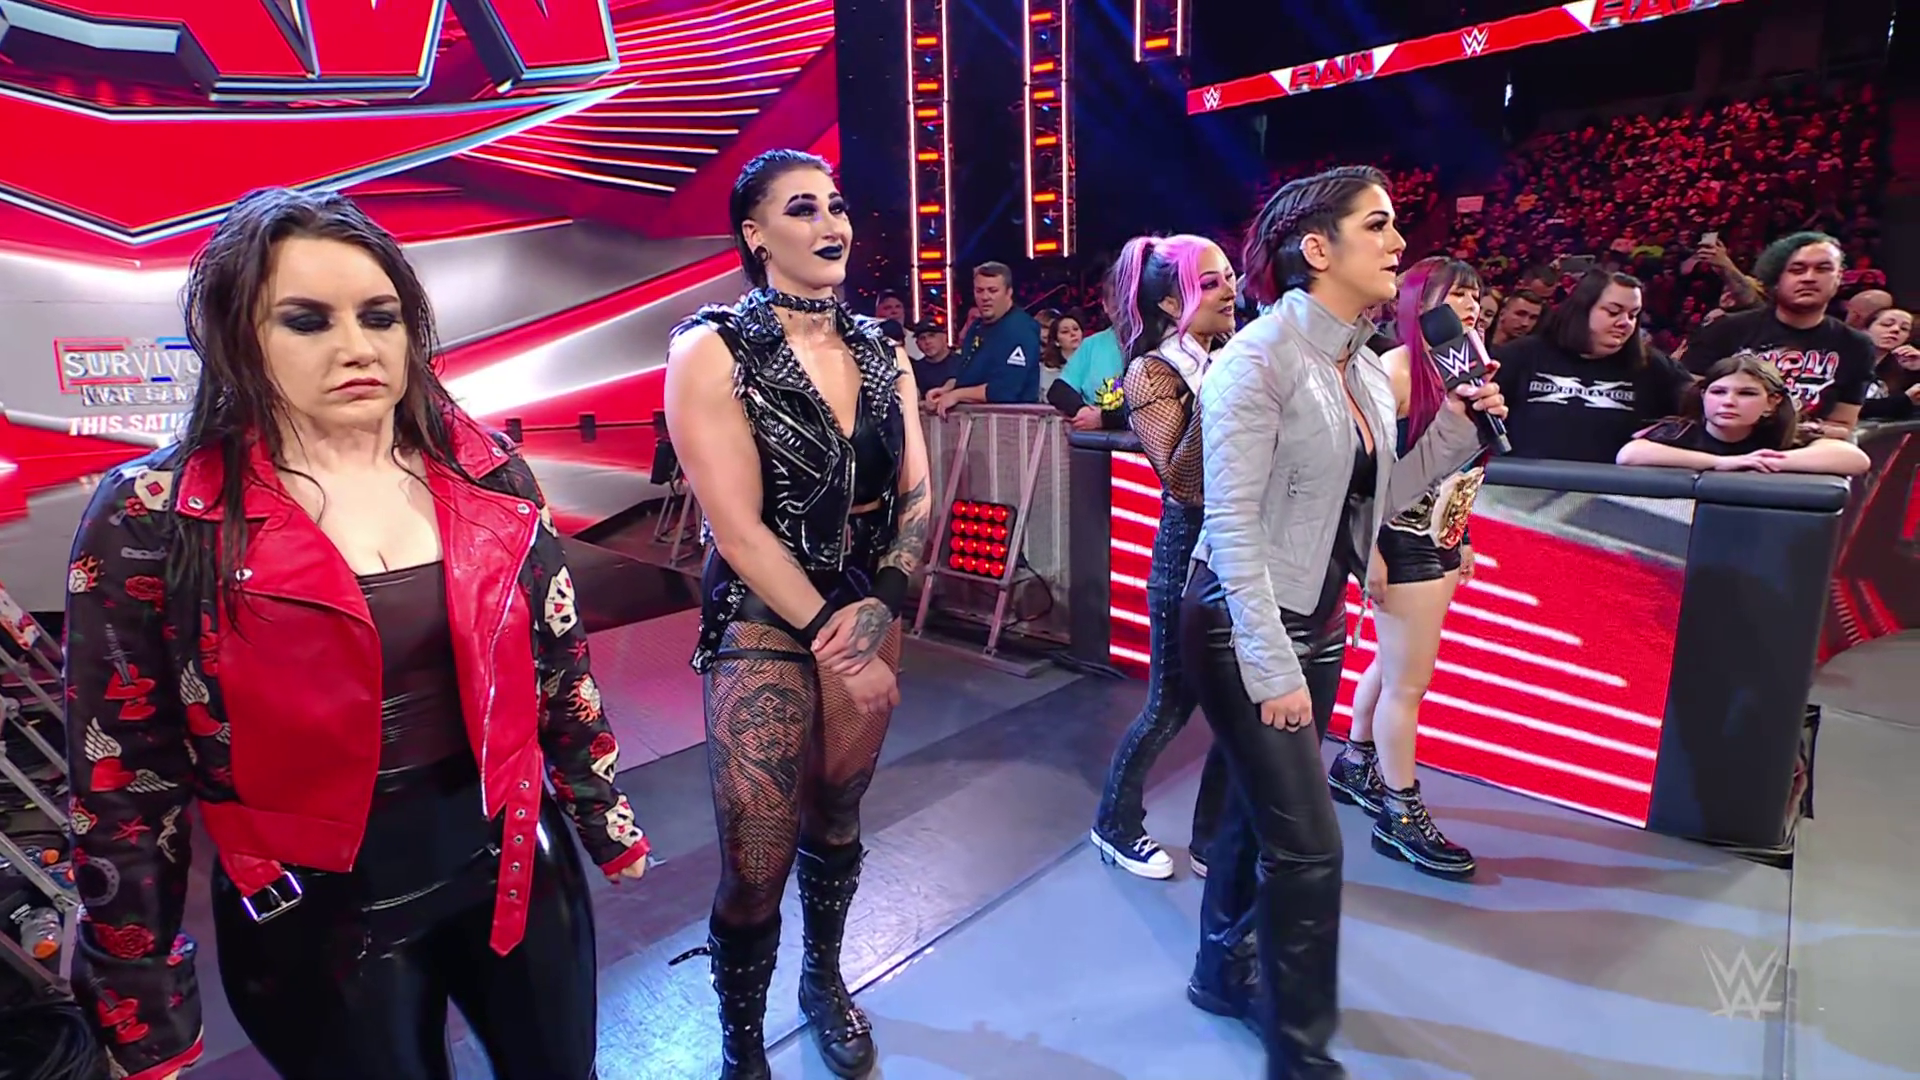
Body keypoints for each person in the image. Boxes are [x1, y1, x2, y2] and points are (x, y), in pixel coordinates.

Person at [62, 188, 649, 1080]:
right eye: (307, 321)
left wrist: (600, 811)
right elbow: (122, 774)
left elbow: (557, 662)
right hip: (311, 914)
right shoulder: (154, 515)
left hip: (515, 862)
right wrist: (137, 990)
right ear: (237, 337)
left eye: (380, 316)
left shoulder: (484, 470)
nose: (357, 346)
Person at [1183, 166, 1505, 1077]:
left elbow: (1375, 503)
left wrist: (1460, 431)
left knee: (1257, 817)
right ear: (1317, 249)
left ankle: (1221, 972)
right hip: (1244, 621)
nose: (1399, 243)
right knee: (1312, 848)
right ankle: (1299, 1050)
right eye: (1379, 225)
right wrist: (1271, 664)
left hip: (1320, 617)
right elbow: (1230, 524)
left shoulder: (1361, 364)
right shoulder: (1257, 358)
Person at [662, 149, 933, 1080]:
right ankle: (742, 1043)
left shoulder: (883, 348)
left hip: (865, 599)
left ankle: (823, 979)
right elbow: (738, 532)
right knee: (755, 854)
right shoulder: (712, 348)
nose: (831, 224)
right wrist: (839, 641)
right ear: (756, 234)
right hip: (763, 609)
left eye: (838, 207)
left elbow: (916, 495)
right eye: (803, 208)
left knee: (839, 810)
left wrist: (882, 603)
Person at [1329, 256, 1486, 880]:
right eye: (1456, 294)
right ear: (1418, 301)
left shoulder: (1466, 366)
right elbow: (1360, 478)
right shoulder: (1389, 371)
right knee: (1408, 685)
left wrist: (1463, 532)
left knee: (1394, 665)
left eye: (1475, 294)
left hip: (1440, 534)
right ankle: (1400, 813)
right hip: (1399, 540)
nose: (1469, 304)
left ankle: (1355, 762)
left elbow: (1459, 463)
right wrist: (1367, 551)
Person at [1089, 236, 1236, 882]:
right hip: (1187, 554)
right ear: (1173, 303)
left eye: (1229, 275)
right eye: (1213, 281)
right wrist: (1223, 391)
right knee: (1170, 707)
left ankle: (1211, 840)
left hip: (1242, 551)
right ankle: (1115, 824)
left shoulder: (1232, 355)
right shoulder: (1153, 372)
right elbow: (1183, 481)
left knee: (1237, 711)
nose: (1231, 289)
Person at [1681, 232, 1875, 440]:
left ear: (1839, 277)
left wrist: (1797, 431)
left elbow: (1842, 425)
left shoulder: (1855, 344)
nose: (1809, 278)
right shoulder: (1726, 329)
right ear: (1776, 279)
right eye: (1797, 270)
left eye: (1823, 269)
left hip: (1804, 449)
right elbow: (1689, 406)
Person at [1490, 270, 1693, 463]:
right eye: (1613, 312)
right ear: (1583, 309)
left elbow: (1697, 410)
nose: (1625, 323)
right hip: (1520, 482)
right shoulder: (1521, 355)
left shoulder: (1653, 367)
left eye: (1633, 315)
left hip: (1615, 485)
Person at [1616, 352, 1869, 476]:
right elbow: (1630, 454)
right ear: (1703, 396)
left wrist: (1766, 461)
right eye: (1718, 392)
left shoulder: (1783, 436)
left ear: (1772, 402)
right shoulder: (1678, 431)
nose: (1729, 402)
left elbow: (1855, 459)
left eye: (1746, 393)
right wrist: (1723, 463)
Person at [925, 263, 1043, 413]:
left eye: (993, 291)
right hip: (974, 422)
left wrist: (957, 395)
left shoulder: (1021, 329)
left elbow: (1005, 390)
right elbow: (966, 373)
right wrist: (946, 390)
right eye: (979, 291)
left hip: (1012, 422)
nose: (985, 297)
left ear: (1009, 292)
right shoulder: (976, 326)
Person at [1861, 306, 1918, 421]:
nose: (1896, 330)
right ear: (1865, 329)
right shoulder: (1843, 360)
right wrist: (1904, 401)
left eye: (1904, 329)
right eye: (1887, 324)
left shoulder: (1902, 369)